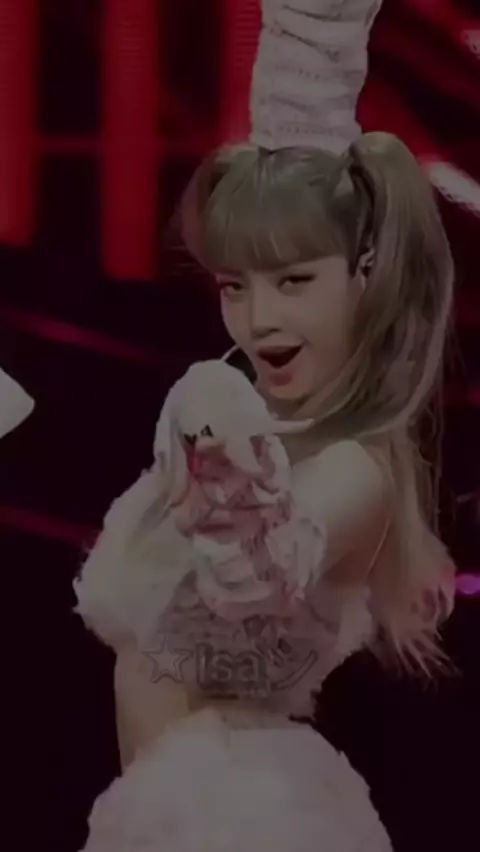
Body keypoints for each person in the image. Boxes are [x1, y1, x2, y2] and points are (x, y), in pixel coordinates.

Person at [73, 128, 455, 851]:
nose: (259, 318)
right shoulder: (258, 426)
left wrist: (230, 480)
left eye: (294, 280)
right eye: (234, 286)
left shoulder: (354, 469)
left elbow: (271, 558)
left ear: (366, 274)